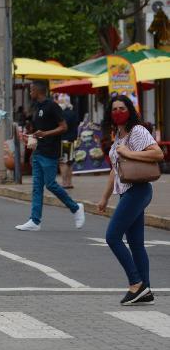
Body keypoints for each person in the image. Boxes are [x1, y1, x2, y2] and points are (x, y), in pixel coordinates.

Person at [98, 95, 164, 305]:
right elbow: (114, 171)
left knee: (112, 237)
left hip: (139, 189)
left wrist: (129, 153)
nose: (118, 112)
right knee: (136, 244)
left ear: (130, 110)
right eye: (114, 108)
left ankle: (136, 284)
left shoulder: (137, 131)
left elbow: (158, 154)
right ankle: (146, 290)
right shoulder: (118, 135)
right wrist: (104, 198)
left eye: (122, 108)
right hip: (127, 192)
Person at [15, 80, 85, 232]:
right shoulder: (37, 107)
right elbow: (39, 130)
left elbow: (63, 127)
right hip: (38, 151)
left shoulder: (52, 106)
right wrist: (30, 137)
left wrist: (45, 134)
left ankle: (76, 208)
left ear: (39, 91)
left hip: (50, 152)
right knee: (36, 188)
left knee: (51, 184)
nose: (30, 92)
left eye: (31, 89)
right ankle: (34, 220)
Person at [55, 94, 78, 189]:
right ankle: (69, 182)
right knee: (69, 162)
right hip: (72, 140)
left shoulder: (61, 114)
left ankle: (64, 183)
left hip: (63, 140)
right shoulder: (73, 113)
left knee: (63, 162)